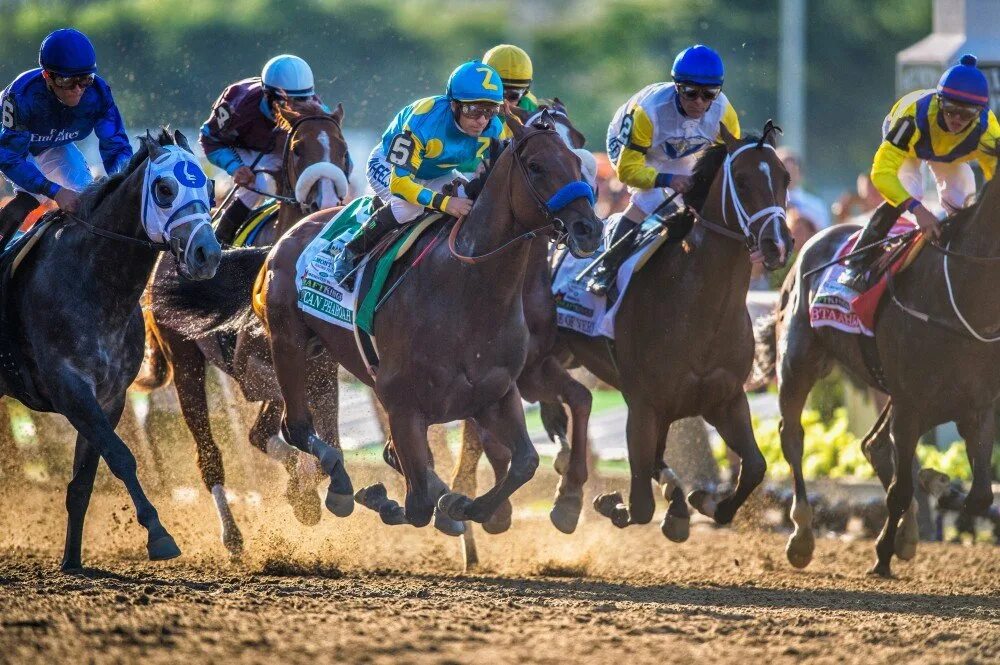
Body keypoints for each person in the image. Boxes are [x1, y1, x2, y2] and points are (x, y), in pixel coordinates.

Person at [331, 61, 505, 288]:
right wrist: (445, 203)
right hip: (389, 166)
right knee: (408, 206)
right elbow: (401, 184)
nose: (482, 120)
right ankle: (351, 252)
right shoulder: (423, 120)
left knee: (470, 199)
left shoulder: (494, 129)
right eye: (473, 110)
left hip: (436, 172)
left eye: (490, 110)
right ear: (453, 105)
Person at [839, 54, 1000, 290]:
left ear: (979, 114)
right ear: (939, 101)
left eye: (966, 115)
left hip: (951, 156)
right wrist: (917, 209)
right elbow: (881, 174)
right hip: (910, 147)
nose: (956, 119)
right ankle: (857, 261)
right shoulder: (912, 117)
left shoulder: (988, 130)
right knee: (910, 190)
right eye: (951, 109)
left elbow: (995, 182)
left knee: (962, 200)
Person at [589, 44, 740, 295]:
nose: (699, 102)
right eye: (690, 92)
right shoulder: (650, 112)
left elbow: (730, 164)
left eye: (709, 94)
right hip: (633, 149)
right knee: (648, 200)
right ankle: (607, 267)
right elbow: (627, 172)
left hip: (681, 151)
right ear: (677, 86)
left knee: (694, 202)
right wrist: (667, 178)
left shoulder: (725, 113)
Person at [0, 28, 132, 249]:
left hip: (51, 146)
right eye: (67, 81)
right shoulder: (22, 97)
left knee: (86, 202)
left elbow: (116, 148)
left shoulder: (99, 94)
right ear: (47, 76)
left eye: (85, 80)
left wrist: (126, 185)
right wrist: (54, 191)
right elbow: (10, 158)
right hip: (9, 146)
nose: (77, 89)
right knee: (26, 201)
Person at [200, 54, 327, 244]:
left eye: (301, 101)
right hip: (242, 148)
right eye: (286, 102)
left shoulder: (317, 109)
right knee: (258, 184)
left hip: (281, 149)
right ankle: (220, 239)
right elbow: (208, 139)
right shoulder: (238, 104)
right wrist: (235, 167)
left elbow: (338, 154)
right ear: (267, 95)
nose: (294, 109)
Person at [775, 147, 829, 248]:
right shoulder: (767, 206)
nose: (788, 176)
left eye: (792, 171)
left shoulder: (817, 205)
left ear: (800, 174)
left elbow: (823, 239)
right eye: (783, 171)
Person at [483, 44, 541, 114]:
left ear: (525, 92)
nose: (504, 103)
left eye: (513, 95)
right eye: (498, 94)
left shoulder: (533, 108)